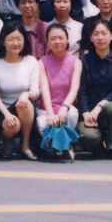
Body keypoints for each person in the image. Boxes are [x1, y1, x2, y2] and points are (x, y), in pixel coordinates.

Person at [0, 21, 39, 160]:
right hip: (2, 110)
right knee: (13, 125)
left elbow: (35, 92)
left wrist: (25, 94)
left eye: (19, 38)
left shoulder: (31, 61)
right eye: (11, 39)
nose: (15, 43)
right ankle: (6, 140)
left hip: (26, 110)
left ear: (24, 40)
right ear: (3, 41)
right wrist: (7, 114)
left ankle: (25, 145)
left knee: (24, 104)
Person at [75, 19, 112, 158]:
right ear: (91, 38)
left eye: (104, 33)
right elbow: (81, 90)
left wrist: (99, 107)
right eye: (96, 34)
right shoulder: (83, 61)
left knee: (110, 107)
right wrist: (85, 112)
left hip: (110, 112)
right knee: (89, 137)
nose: (100, 37)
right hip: (89, 113)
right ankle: (98, 146)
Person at [35, 23, 82, 161]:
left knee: (71, 115)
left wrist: (64, 107)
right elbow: (44, 88)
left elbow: (74, 89)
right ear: (47, 42)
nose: (57, 41)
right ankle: (65, 146)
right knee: (43, 124)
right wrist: (50, 113)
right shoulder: (42, 62)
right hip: (46, 108)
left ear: (67, 40)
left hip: (66, 106)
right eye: (53, 38)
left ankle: (60, 145)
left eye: (61, 38)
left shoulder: (76, 62)